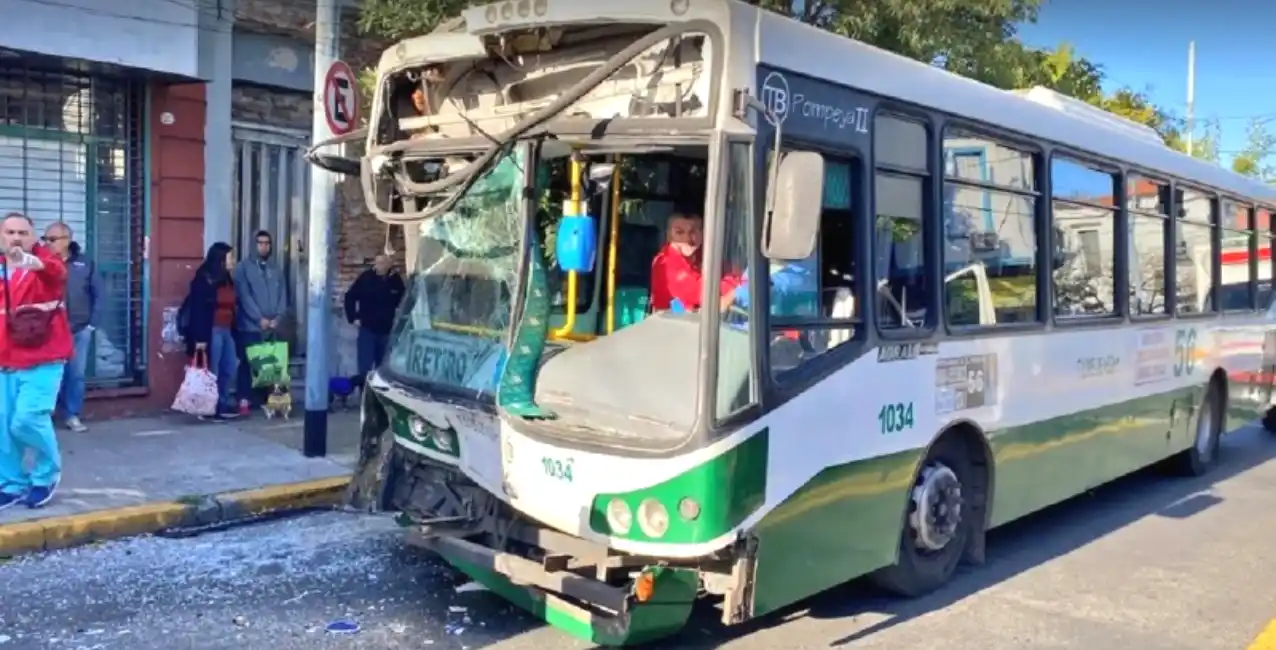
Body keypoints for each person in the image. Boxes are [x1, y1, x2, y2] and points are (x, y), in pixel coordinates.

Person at [0, 212, 72, 510]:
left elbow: (55, 272)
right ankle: (12, 484)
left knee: (27, 419)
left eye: (23, 232)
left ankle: (46, 476)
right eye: (10, 232)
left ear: (33, 237)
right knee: (4, 426)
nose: (16, 238)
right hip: (5, 360)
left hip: (44, 357)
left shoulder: (46, 262)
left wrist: (28, 261)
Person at [44, 222, 99, 433]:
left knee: (75, 374)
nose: (47, 243)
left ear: (66, 240)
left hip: (78, 329)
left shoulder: (84, 263)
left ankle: (72, 415)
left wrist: (92, 324)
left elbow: (98, 293)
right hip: (49, 330)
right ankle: (46, 415)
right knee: (49, 374)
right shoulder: (42, 262)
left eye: (52, 239)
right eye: (45, 239)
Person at [183, 242, 240, 421]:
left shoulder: (228, 280)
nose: (233, 261)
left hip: (227, 329)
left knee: (229, 366)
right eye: (230, 257)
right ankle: (210, 407)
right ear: (221, 259)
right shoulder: (204, 278)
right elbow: (197, 311)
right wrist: (199, 338)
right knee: (212, 369)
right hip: (211, 330)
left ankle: (222, 403)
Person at [234, 230, 287, 414]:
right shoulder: (243, 268)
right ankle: (244, 400)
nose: (264, 247)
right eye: (260, 243)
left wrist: (278, 318)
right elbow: (244, 296)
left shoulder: (275, 269)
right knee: (247, 364)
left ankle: (269, 400)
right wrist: (259, 319)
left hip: (272, 327)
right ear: (254, 245)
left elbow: (283, 295)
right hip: (250, 326)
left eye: (267, 243)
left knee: (270, 364)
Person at [649, 212, 742, 313]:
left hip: (694, 316)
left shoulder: (700, 254)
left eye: (693, 232)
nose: (687, 239)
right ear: (669, 236)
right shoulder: (665, 263)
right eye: (679, 232)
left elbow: (729, 269)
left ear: (702, 234)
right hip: (671, 319)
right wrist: (737, 287)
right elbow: (708, 293)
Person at [343, 254, 405, 377]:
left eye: (383, 263)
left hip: (386, 330)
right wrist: (353, 317)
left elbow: (403, 300)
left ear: (389, 265)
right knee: (364, 368)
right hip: (367, 329)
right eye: (377, 263)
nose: (379, 266)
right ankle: (363, 388)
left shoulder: (395, 280)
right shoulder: (366, 278)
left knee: (383, 369)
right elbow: (350, 296)